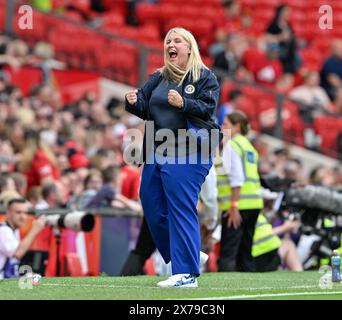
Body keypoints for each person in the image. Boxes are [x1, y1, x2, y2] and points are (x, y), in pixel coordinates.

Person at [124, 27, 220, 287]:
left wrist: (184, 103)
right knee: (150, 201)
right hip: (159, 147)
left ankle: (186, 273)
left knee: (180, 206)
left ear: (190, 47)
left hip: (191, 146)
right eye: (168, 40)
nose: (171, 44)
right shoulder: (158, 76)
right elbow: (145, 106)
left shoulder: (204, 76)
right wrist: (133, 100)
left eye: (177, 40)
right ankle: (190, 254)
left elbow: (208, 109)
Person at [216, 111, 263, 272]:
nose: (222, 127)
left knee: (228, 251)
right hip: (254, 203)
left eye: (226, 124)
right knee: (246, 250)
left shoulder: (232, 145)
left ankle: (224, 285)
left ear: (237, 127)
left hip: (237, 205)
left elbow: (237, 178)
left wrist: (233, 205)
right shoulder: (249, 147)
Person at [265, 4, 299, 86]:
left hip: (288, 55)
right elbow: (266, 37)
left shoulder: (289, 25)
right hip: (277, 53)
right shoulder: (273, 25)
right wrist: (280, 37)